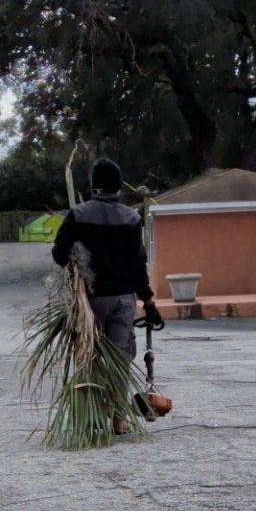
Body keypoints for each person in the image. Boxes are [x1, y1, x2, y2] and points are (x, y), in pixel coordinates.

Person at [51, 157, 164, 370]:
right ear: (118, 187)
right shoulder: (130, 218)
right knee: (119, 365)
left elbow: (59, 255)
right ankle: (117, 400)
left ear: (94, 186)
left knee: (90, 362)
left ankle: (91, 397)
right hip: (122, 301)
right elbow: (137, 266)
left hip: (89, 302)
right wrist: (148, 303)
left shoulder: (78, 215)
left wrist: (76, 265)